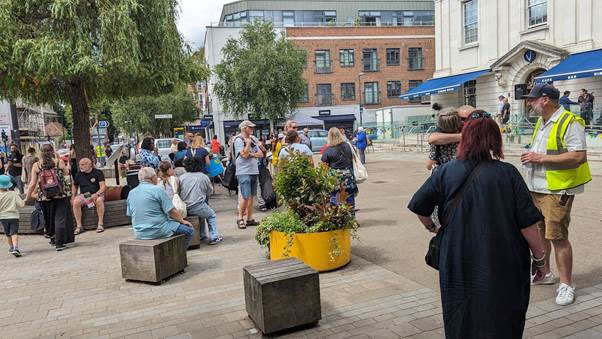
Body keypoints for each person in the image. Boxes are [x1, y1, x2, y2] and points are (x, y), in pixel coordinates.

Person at [408, 110, 546, 339]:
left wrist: (434, 229)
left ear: (465, 138)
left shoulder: (444, 172)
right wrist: (540, 259)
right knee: (505, 317)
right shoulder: (508, 173)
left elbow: (419, 206)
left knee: (460, 315)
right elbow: (528, 225)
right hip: (504, 259)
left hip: (457, 257)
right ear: (495, 139)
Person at [521, 83, 592, 306]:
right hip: (538, 187)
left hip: (557, 189)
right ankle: (546, 274)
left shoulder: (569, 122)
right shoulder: (542, 123)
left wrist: (539, 159)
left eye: (532, 99)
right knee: (542, 234)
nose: (529, 103)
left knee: (558, 237)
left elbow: (579, 156)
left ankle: (567, 284)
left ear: (545, 100)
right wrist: (533, 157)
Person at [126, 167, 193, 245]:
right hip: (158, 229)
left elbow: (130, 214)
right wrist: (182, 221)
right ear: (152, 178)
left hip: (139, 232)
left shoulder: (131, 193)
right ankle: (180, 254)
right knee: (189, 230)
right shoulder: (157, 190)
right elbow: (172, 211)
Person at [26, 144, 75, 251]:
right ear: (53, 151)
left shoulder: (37, 165)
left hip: (44, 196)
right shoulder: (58, 162)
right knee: (60, 218)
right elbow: (67, 173)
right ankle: (59, 243)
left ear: (40, 152)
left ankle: (52, 238)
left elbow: (32, 183)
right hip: (60, 194)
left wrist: (28, 196)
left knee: (49, 218)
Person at [179, 157, 223, 245]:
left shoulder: (181, 177)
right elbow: (209, 191)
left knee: (202, 215)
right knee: (211, 215)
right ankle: (214, 236)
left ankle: (202, 235)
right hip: (197, 205)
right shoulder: (203, 177)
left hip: (183, 206)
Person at [234, 120, 263, 229]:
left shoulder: (254, 139)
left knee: (251, 196)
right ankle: (240, 218)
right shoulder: (238, 140)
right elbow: (243, 155)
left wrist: (251, 153)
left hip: (253, 170)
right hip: (243, 171)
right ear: (244, 128)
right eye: (250, 127)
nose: (252, 129)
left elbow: (260, 153)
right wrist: (248, 145)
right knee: (245, 196)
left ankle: (250, 218)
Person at [321, 127, 357, 210]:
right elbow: (351, 159)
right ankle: (351, 217)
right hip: (348, 175)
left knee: (335, 198)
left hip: (335, 178)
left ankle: (338, 218)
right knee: (349, 197)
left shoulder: (328, 150)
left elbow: (324, 166)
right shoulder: (347, 145)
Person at [71, 158, 107, 234]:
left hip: (97, 193)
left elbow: (103, 186)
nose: (80, 166)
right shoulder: (78, 174)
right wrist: (73, 197)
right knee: (76, 202)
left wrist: (96, 194)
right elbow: (75, 186)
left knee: (99, 200)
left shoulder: (98, 172)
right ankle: (79, 226)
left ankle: (100, 224)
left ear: (89, 164)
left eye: (83, 164)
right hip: (85, 195)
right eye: (80, 164)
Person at [0, 175, 25, 257]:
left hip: (3, 217)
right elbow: (21, 205)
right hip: (14, 216)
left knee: (7, 234)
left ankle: (11, 247)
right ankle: (15, 248)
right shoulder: (13, 194)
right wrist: (24, 201)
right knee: (14, 233)